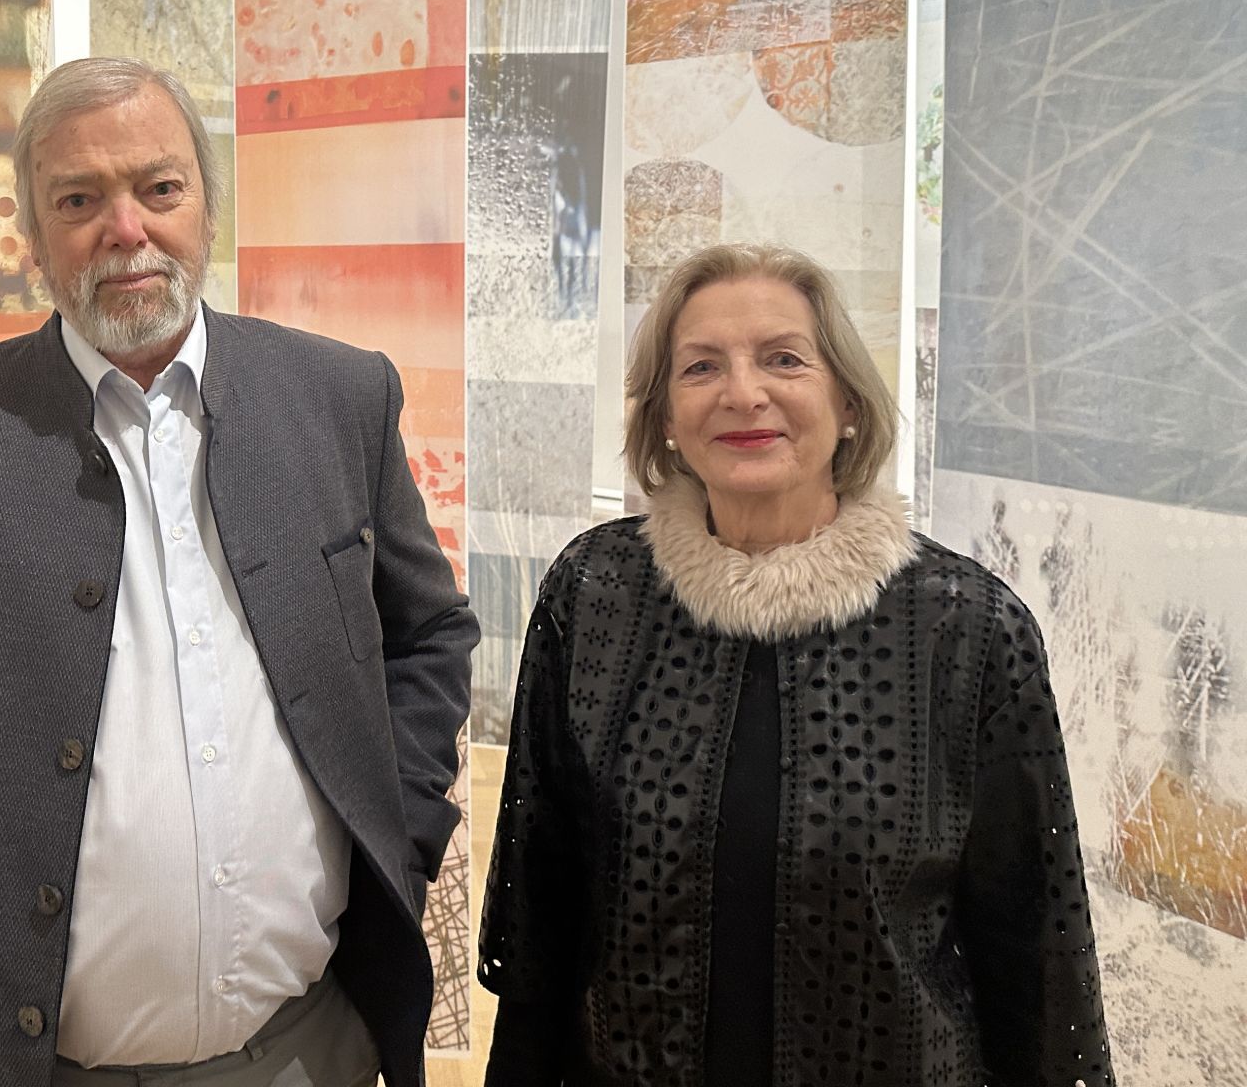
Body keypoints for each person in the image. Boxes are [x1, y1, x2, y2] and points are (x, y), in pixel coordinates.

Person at [0, 56, 477, 1087]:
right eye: (78, 199)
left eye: (157, 188)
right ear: (31, 234)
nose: (124, 229)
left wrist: (395, 828)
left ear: (206, 207)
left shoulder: (338, 398)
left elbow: (426, 635)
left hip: (308, 1051)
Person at [477, 243, 1114, 1087]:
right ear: (665, 415)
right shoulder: (594, 594)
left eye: (784, 359)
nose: (744, 393)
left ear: (847, 401)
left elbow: (1035, 952)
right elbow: (541, 917)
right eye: (702, 366)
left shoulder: (968, 629)